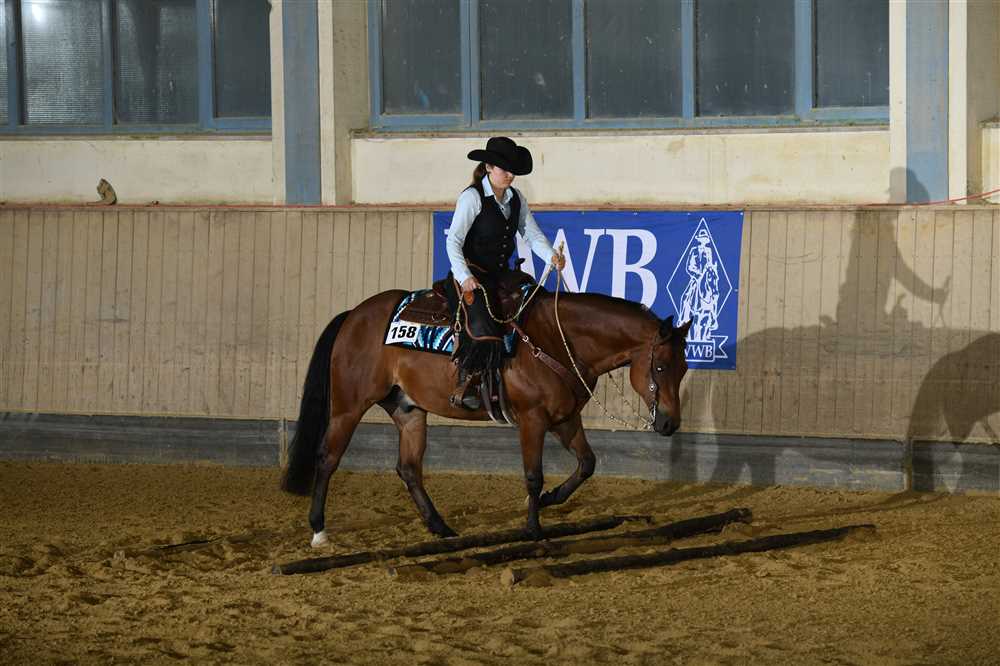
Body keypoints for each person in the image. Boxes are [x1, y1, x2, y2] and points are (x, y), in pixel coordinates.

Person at [445, 136, 565, 409]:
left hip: (499, 274)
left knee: (533, 299)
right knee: (481, 322)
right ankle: (468, 380)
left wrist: (551, 256)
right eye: (504, 168)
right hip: (471, 274)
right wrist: (464, 276)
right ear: (488, 167)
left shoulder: (516, 199)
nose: (510, 174)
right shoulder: (472, 197)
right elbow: (453, 241)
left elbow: (532, 235)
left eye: (513, 170)